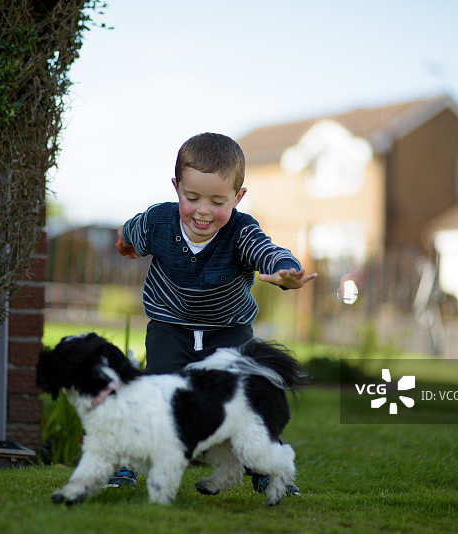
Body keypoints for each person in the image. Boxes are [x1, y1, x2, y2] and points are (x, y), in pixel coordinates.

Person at [109, 132, 316, 494]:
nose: (203, 210)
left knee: (246, 398)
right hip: (170, 328)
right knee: (155, 393)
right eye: (192, 198)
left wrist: (285, 271)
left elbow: (266, 251)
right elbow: (129, 232)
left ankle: (265, 467)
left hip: (228, 331)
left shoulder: (239, 231)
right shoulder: (159, 222)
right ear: (177, 189)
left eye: (218, 201)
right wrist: (125, 243)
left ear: (239, 197)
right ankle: (126, 465)